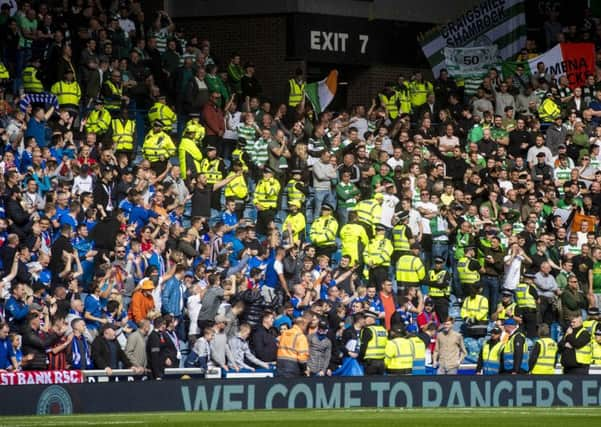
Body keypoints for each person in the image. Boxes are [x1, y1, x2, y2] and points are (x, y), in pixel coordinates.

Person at [358, 310, 388, 375]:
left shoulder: (367, 330)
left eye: (365, 318)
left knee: (369, 383)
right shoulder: (383, 329)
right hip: (382, 361)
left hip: (370, 363)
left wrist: (360, 359)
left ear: (370, 319)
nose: (364, 320)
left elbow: (363, 347)